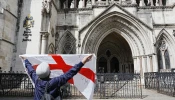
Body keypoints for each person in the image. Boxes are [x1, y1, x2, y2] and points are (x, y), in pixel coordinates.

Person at [21, 54, 93, 100]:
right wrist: (83, 61)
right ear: (49, 73)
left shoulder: (36, 80)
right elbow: (70, 73)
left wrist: (26, 60)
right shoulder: (55, 82)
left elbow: (30, 70)